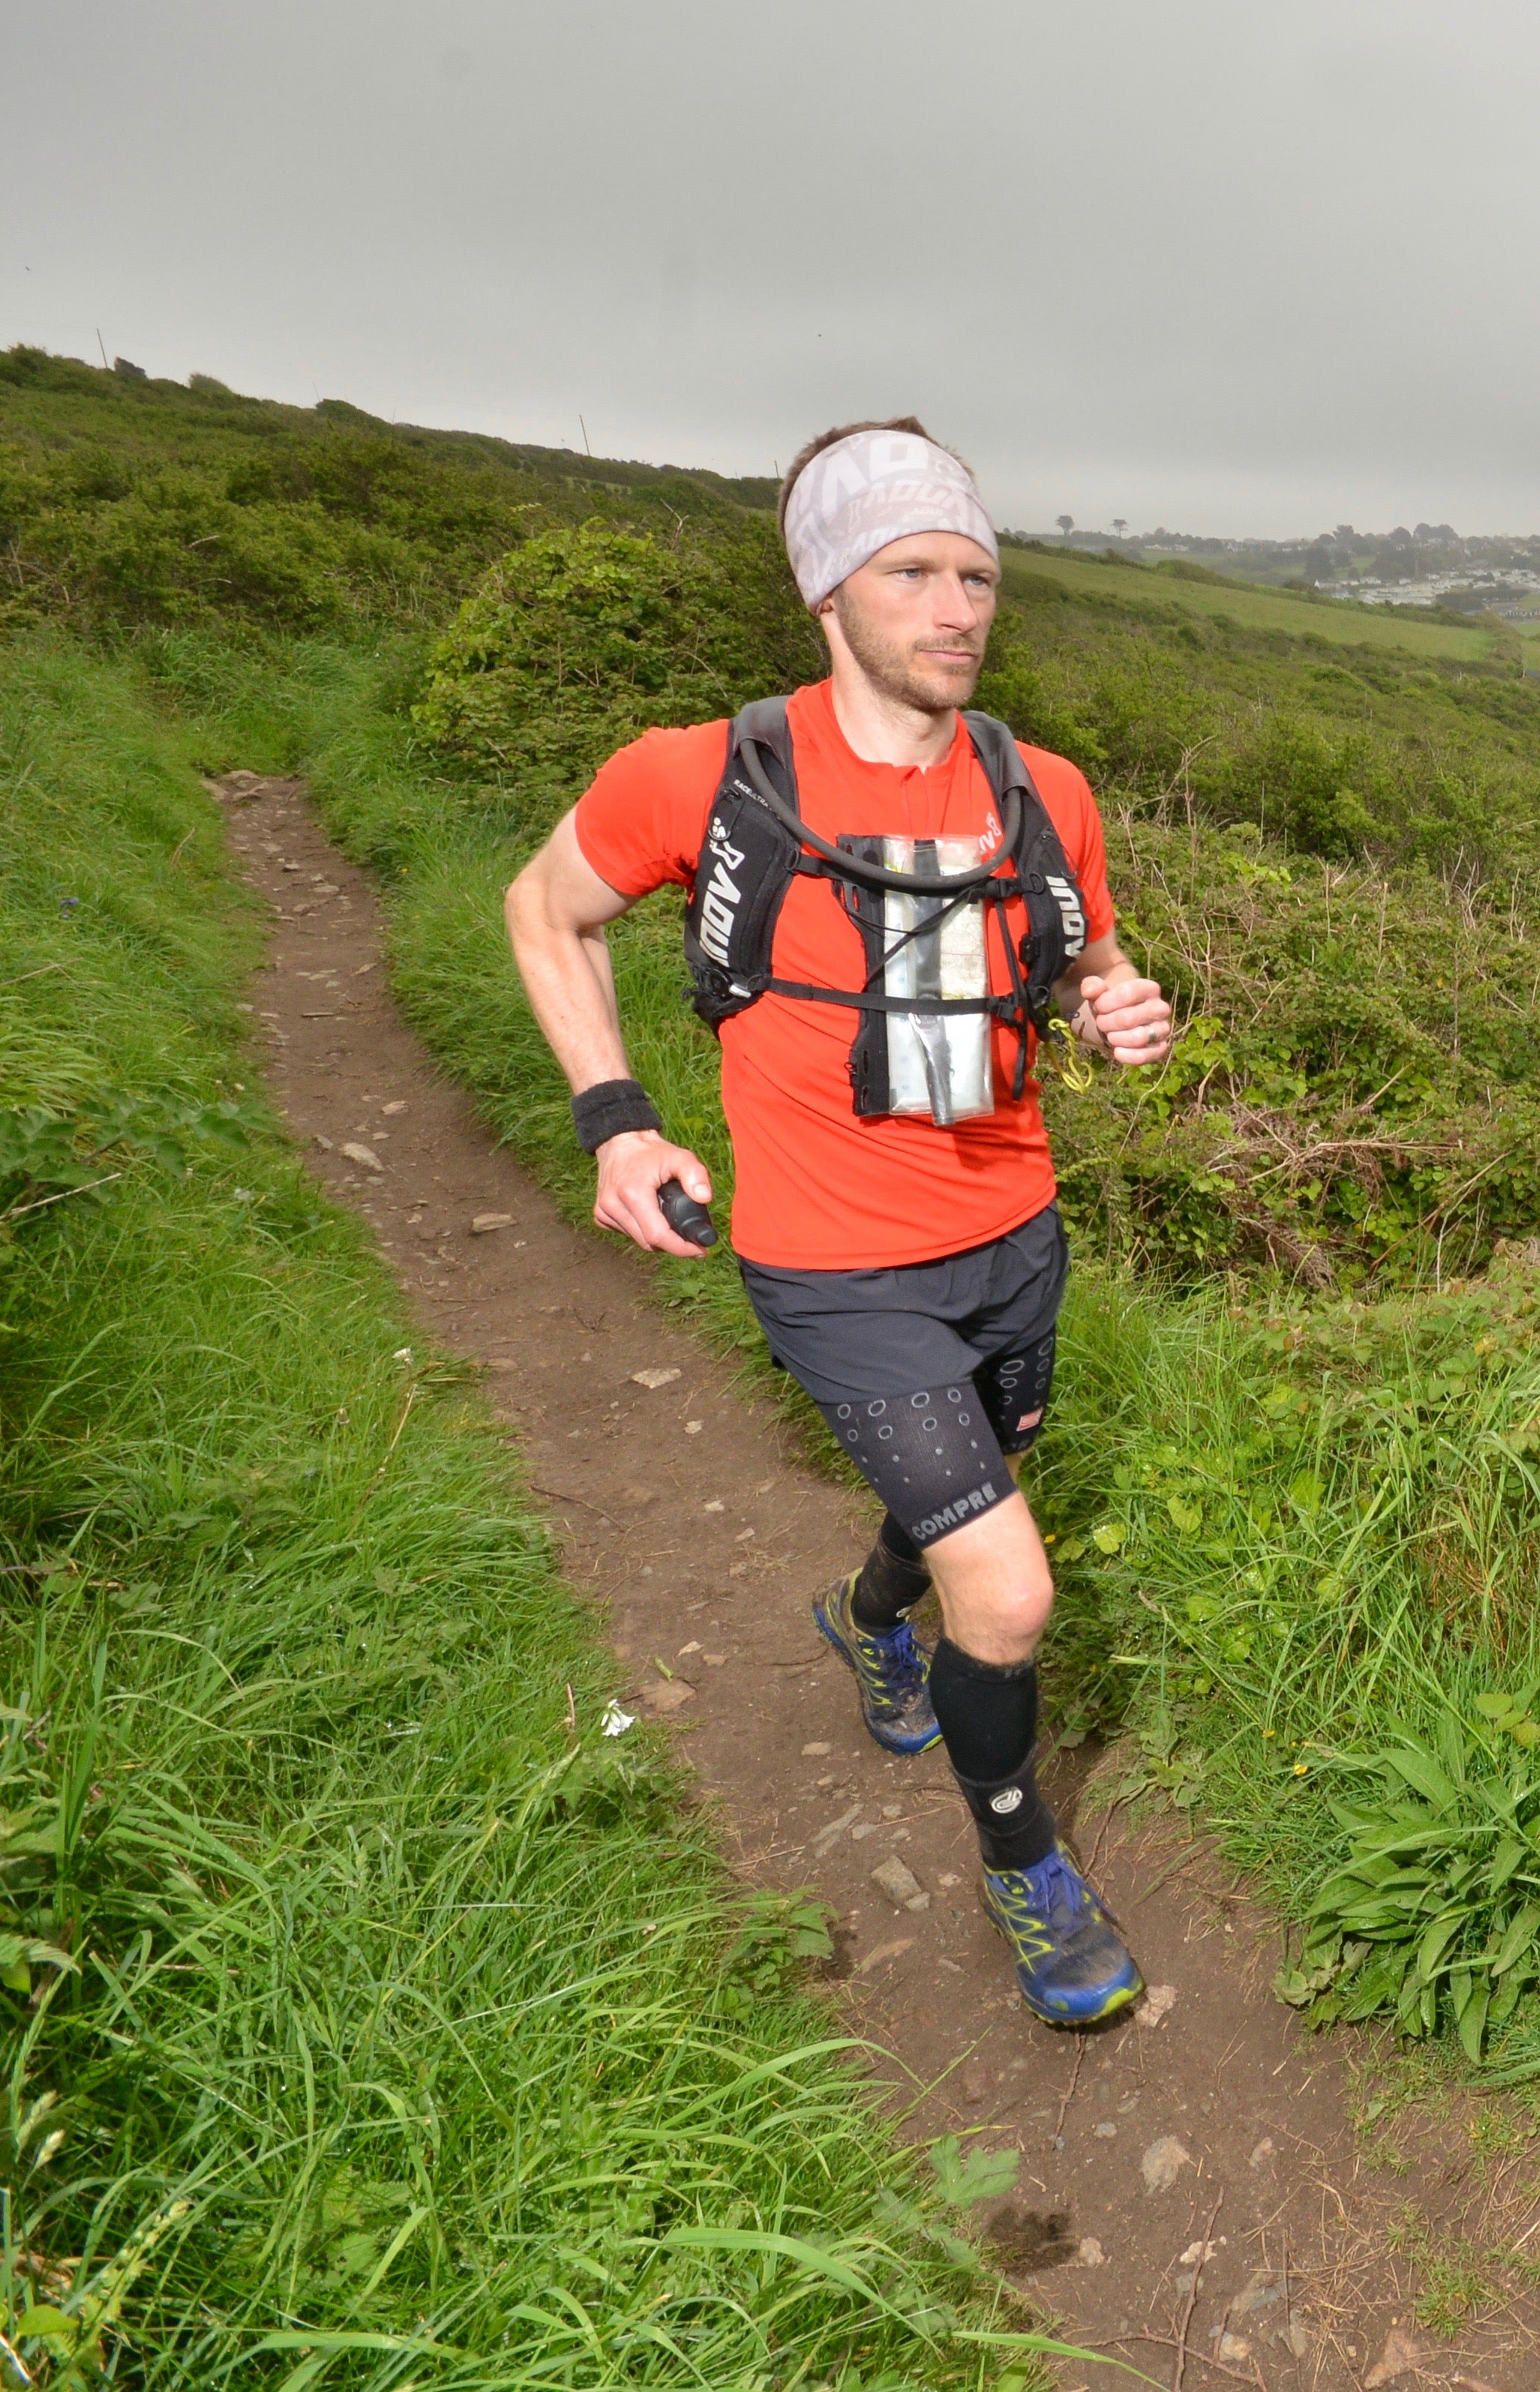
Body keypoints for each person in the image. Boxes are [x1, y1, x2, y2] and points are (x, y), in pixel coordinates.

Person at [500, 419, 1175, 2027]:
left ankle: (868, 1621)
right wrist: (616, 1118)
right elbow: (546, 909)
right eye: (916, 572)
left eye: (979, 574)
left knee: (966, 1503)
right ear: (828, 591)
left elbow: (1076, 959)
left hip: (1013, 1234)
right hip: (832, 1258)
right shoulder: (708, 776)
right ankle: (1024, 1861)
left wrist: (1113, 1009)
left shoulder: (1043, 789)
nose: (960, 605)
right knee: (1008, 1590)